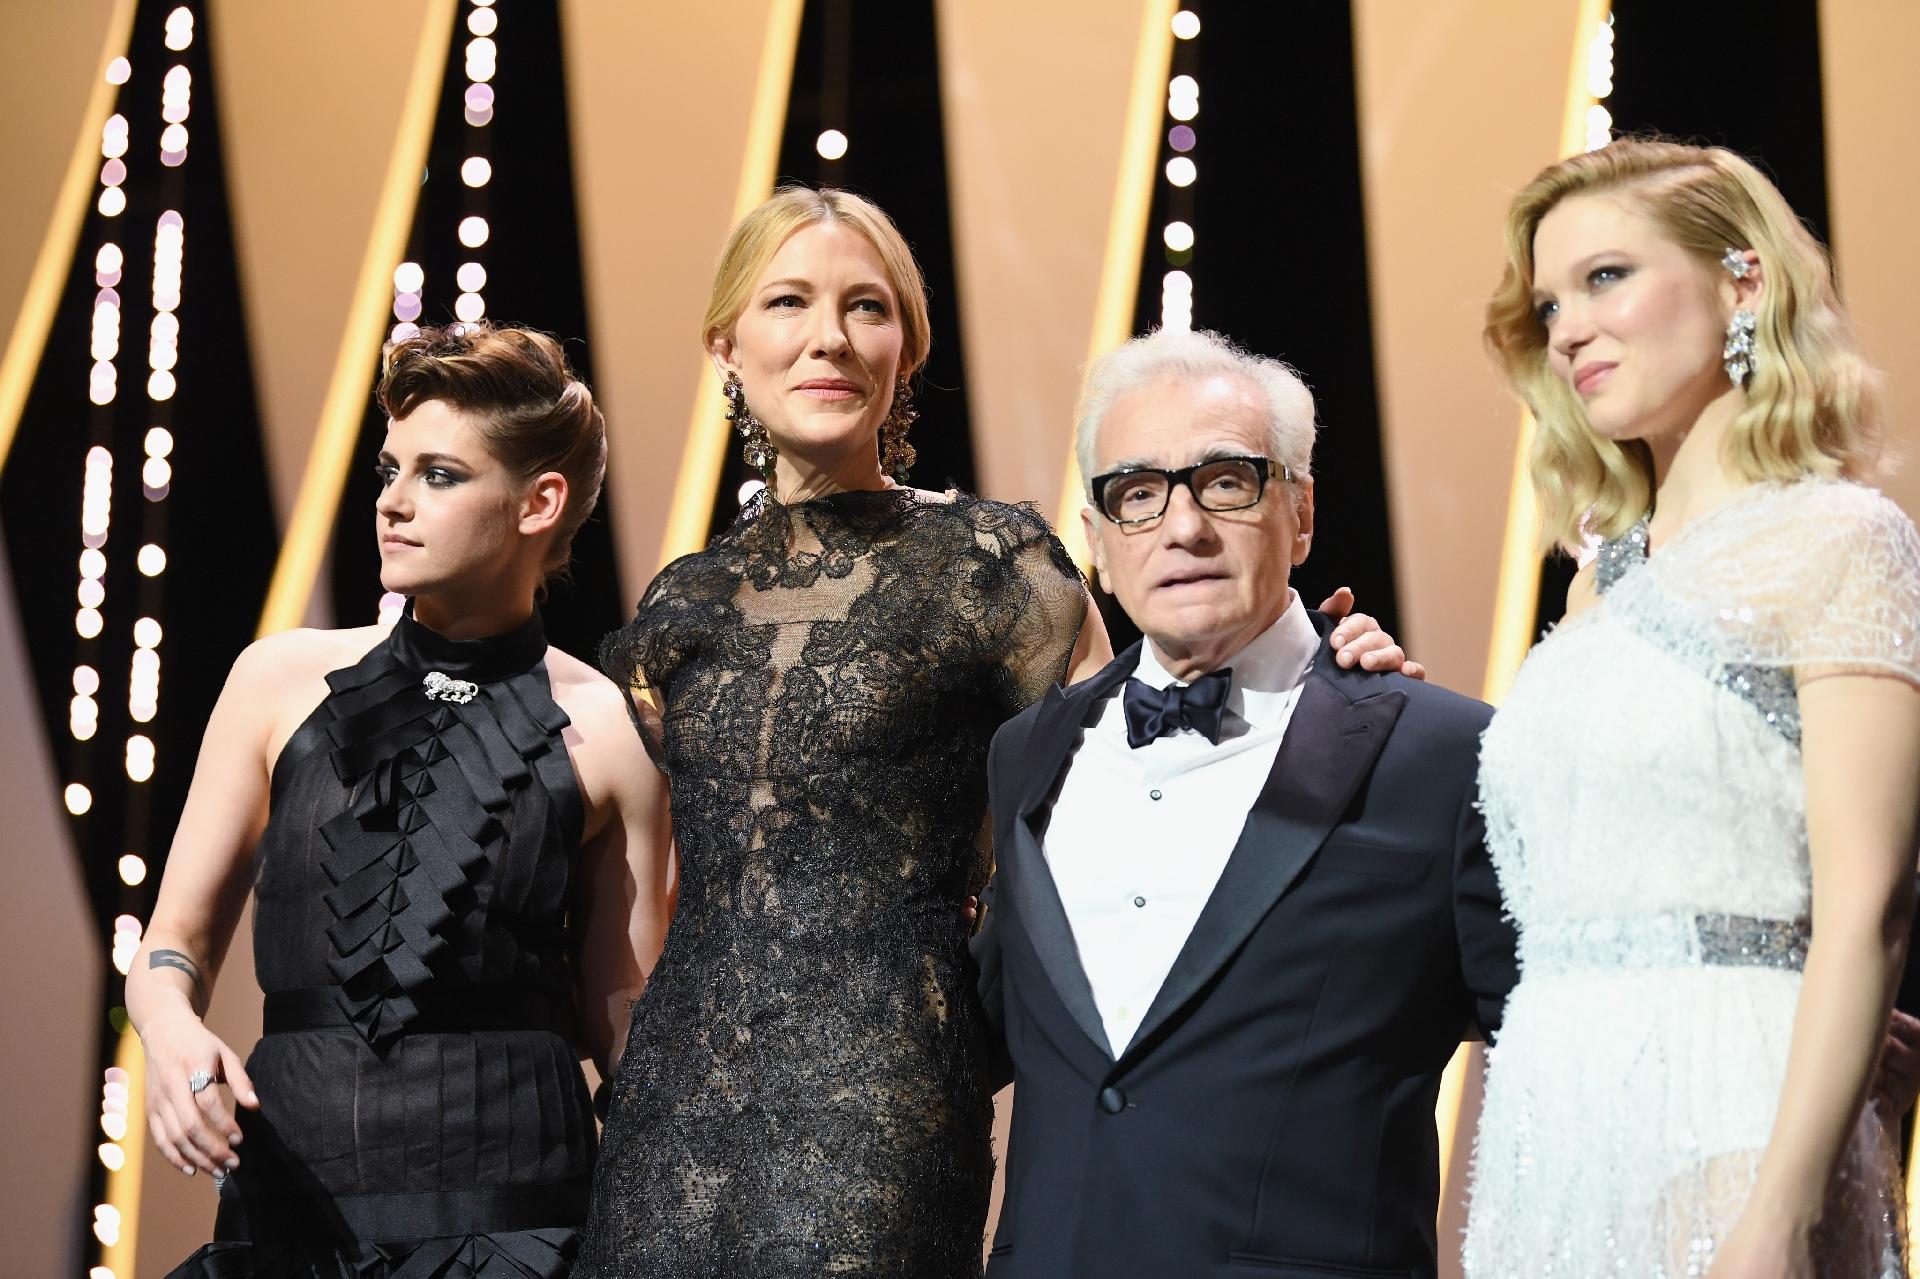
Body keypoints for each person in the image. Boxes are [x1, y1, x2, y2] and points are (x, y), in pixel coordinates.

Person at [573, 188, 1412, 1277]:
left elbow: (1150, 757)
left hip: (881, 1105)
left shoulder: (993, 565)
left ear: (905, 347)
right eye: (790, 301)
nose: (829, 335)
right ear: (726, 343)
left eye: (865, 307)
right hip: (669, 1115)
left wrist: (1321, 676)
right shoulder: (681, 602)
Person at [1463, 138, 1920, 1276]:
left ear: (1744, 281)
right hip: (1552, 1123)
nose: (1566, 328)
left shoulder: (1839, 541)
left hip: (1730, 1102)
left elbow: (1871, 902)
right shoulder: (1593, 582)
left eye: (1607, 277)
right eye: (1551, 302)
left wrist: (1780, 1212)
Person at [970, 326, 1512, 1277]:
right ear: (1095, 542)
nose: (1183, 528)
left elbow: (1571, 1047)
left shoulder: (1446, 754)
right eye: (1137, 495)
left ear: (1300, 513)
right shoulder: (1028, 753)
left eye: (1226, 481)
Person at [129, 324, 670, 1276]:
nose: (393, 502)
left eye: (440, 475)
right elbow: (172, 945)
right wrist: (171, 1030)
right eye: (390, 470)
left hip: (519, 1225)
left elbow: (624, 1020)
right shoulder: (278, 681)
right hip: (295, 1209)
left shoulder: (611, 730)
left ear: (539, 502)